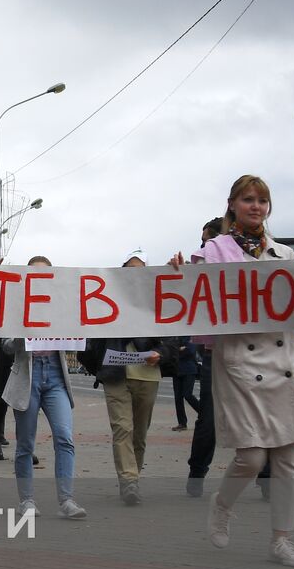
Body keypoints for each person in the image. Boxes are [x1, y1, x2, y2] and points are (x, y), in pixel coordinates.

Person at [173, 175, 294, 567]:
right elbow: (188, 295)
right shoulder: (213, 251)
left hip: (283, 361)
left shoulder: (284, 255)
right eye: (248, 199)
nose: (255, 206)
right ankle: (222, 505)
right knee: (253, 457)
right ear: (233, 204)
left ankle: (282, 540)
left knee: (288, 458)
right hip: (240, 361)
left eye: (262, 200)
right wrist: (175, 272)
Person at [0, 257, 86, 520]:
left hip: (56, 377)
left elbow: (81, 330)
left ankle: (67, 500)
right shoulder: (17, 307)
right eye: (35, 275)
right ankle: (26, 501)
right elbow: (5, 345)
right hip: (28, 375)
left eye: (45, 275)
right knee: (26, 443)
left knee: (64, 436)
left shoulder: (61, 307)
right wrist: (20, 336)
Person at [96, 249, 175, 506]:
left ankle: (133, 477)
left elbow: (173, 339)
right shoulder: (106, 300)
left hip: (148, 375)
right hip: (115, 375)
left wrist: (160, 354)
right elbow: (90, 336)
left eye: (141, 270)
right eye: (130, 270)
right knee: (123, 429)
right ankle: (128, 481)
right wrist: (98, 364)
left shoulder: (158, 302)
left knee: (139, 434)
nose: (135, 275)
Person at [186, 217, 224, 497]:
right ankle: (197, 473)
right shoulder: (200, 268)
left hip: (251, 351)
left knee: (260, 414)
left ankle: (266, 474)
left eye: (206, 240)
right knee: (208, 417)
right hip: (215, 352)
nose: (202, 246)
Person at [172, 336, 200, 431]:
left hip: (189, 370)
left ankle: (203, 413)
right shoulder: (174, 336)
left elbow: (190, 351)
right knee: (178, 398)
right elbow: (169, 349)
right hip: (176, 370)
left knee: (187, 395)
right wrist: (179, 349)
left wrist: (177, 350)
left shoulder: (190, 336)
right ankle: (182, 423)